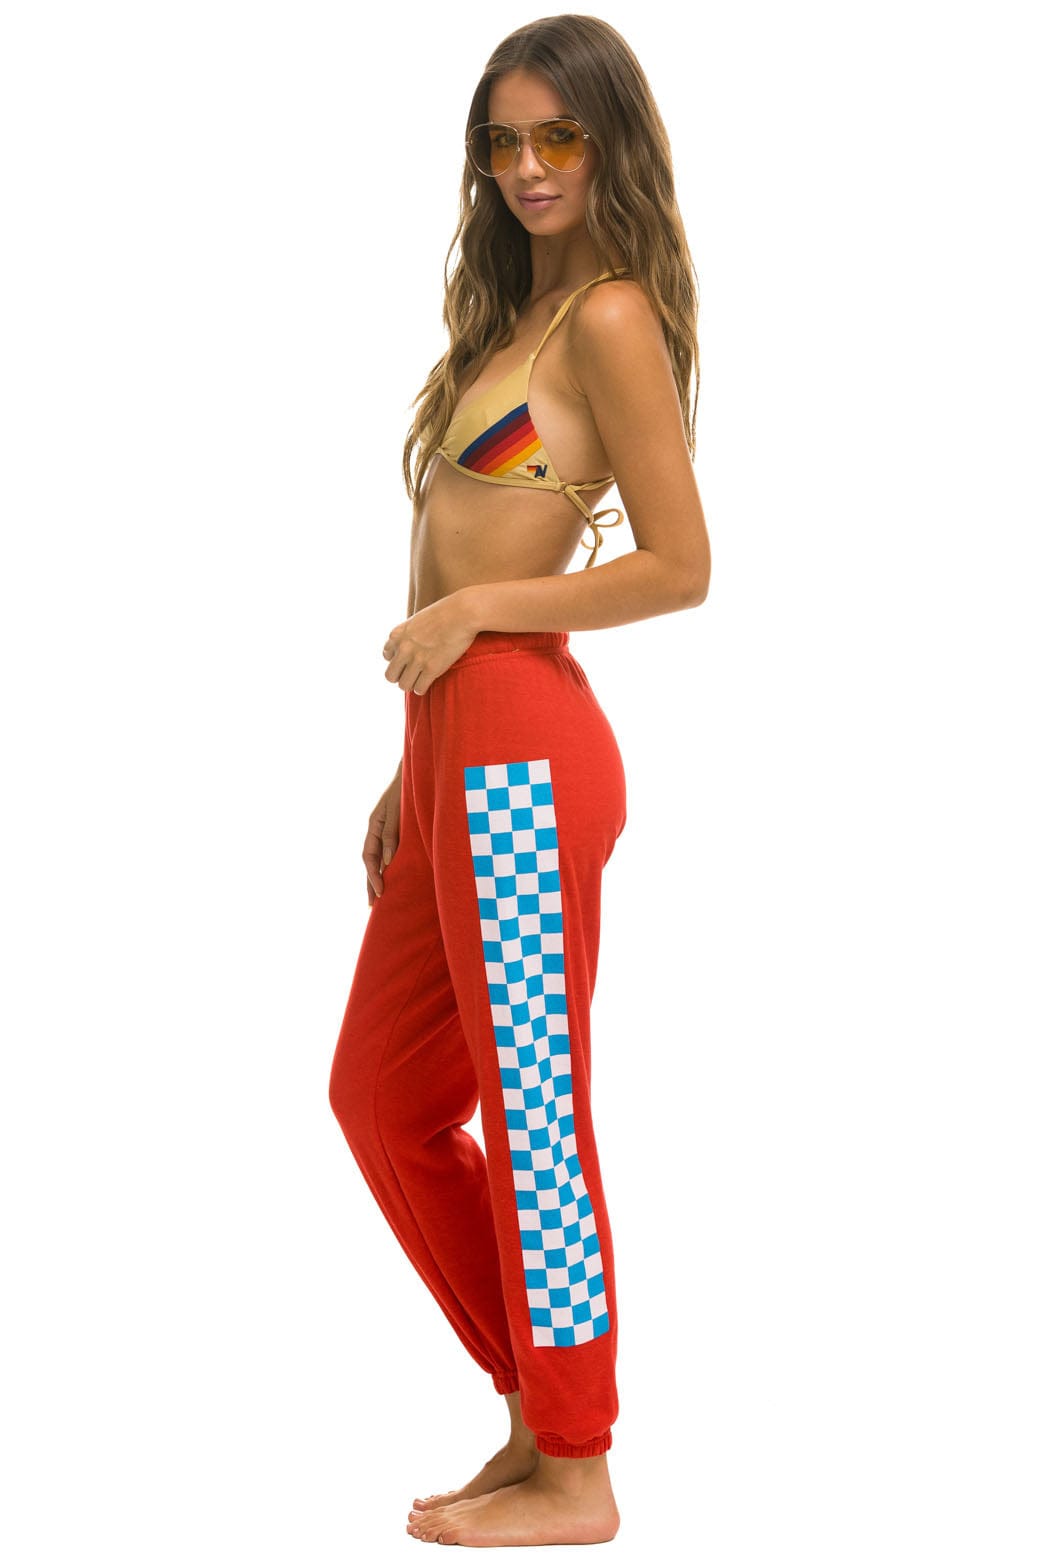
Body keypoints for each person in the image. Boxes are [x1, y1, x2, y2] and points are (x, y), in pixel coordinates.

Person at [328, 13, 710, 1547]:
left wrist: (483, 611)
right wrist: (403, 773)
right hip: (451, 752)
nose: (530, 166)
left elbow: (681, 566)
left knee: (531, 1109)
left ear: (612, 142)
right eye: (505, 140)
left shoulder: (607, 318)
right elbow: (450, 550)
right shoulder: (513, 319)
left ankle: (578, 1464)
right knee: (382, 1097)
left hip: (523, 754)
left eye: (561, 135)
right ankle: (540, 1409)